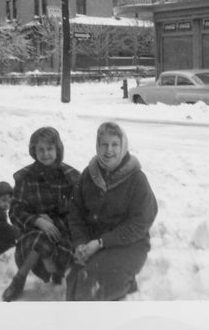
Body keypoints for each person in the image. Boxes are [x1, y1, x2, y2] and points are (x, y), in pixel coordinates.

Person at [66, 122, 158, 301]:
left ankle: (123, 281)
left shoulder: (137, 179)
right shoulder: (89, 174)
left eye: (115, 144)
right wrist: (80, 243)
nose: (109, 150)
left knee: (92, 286)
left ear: (123, 146)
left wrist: (101, 243)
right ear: (97, 146)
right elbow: (75, 212)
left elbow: (140, 223)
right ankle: (122, 281)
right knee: (74, 281)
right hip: (94, 242)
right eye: (104, 144)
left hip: (129, 244)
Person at [2, 127, 80, 302]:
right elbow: (15, 211)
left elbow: (79, 212)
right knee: (40, 239)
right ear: (34, 151)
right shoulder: (26, 177)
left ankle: (54, 269)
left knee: (55, 250)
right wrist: (37, 220)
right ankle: (20, 279)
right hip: (34, 234)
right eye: (41, 149)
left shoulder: (71, 177)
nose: (45, 154)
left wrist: (58, 221)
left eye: (50, 149)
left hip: (63, 235)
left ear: (57, 149)